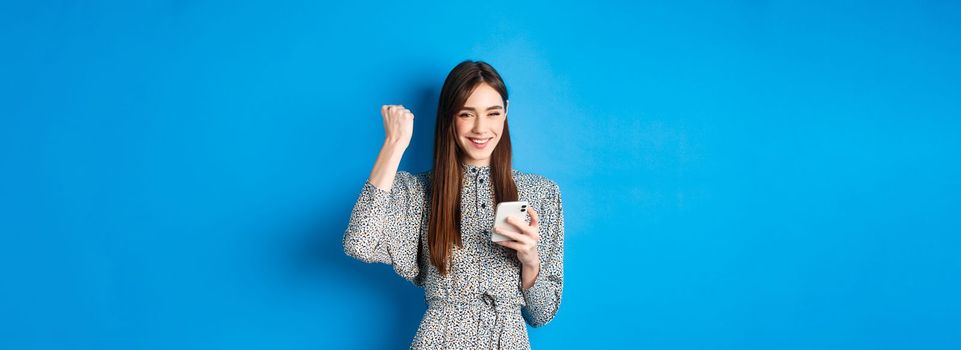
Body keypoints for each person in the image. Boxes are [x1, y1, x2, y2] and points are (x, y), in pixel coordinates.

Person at [343, 60, 564, 349]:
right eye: (466, 113)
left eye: (493, 113)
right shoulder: (420, 192)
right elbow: (358, 243)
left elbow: (542, 314)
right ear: (449, 116)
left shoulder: (542, 193)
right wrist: (394, 144)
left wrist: (530, 260)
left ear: (506, 112)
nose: (481, 128)